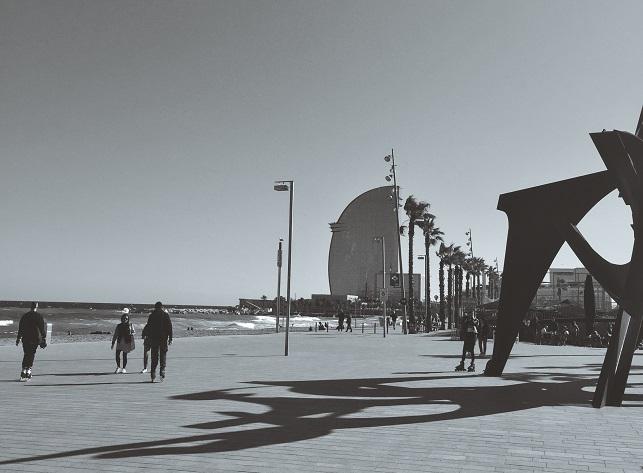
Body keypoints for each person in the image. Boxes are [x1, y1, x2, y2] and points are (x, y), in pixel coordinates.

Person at [16, 302, 46, 381]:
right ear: (37, 306)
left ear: (31, 306)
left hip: (26, 338)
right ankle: (28, 371)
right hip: (35, 338)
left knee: (26, 353)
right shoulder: (38, 316)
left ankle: (23, 371)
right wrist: (44, 338)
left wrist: (18, 338)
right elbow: (42, 328)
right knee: (31, 354)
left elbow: (21, 328)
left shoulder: (25, 316)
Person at [143, 301, 173, 382]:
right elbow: (169, 327)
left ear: (155, 307)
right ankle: (162, 371)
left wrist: (146, 335)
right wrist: (170, 338)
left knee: (154, 356)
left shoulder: (152, 315)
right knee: (163, 355)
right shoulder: (165, 315)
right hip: (163, 338)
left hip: (154, 338)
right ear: (162, 307)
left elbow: (148, 326)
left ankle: (153, 373)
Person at [111, 309, 135, 373]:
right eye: (124, 318)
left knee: (124, 355)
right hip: (120, 341)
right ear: (121, 319)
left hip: (126, 342)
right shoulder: (119, 326)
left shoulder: (130, 325)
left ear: (128, 319)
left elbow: (133, 332)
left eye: (126, 319)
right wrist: (113, 343)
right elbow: (115, 335)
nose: (125, 320)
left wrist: (131, 333)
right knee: (117, 355)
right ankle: (118, 367)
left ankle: (124, 368)